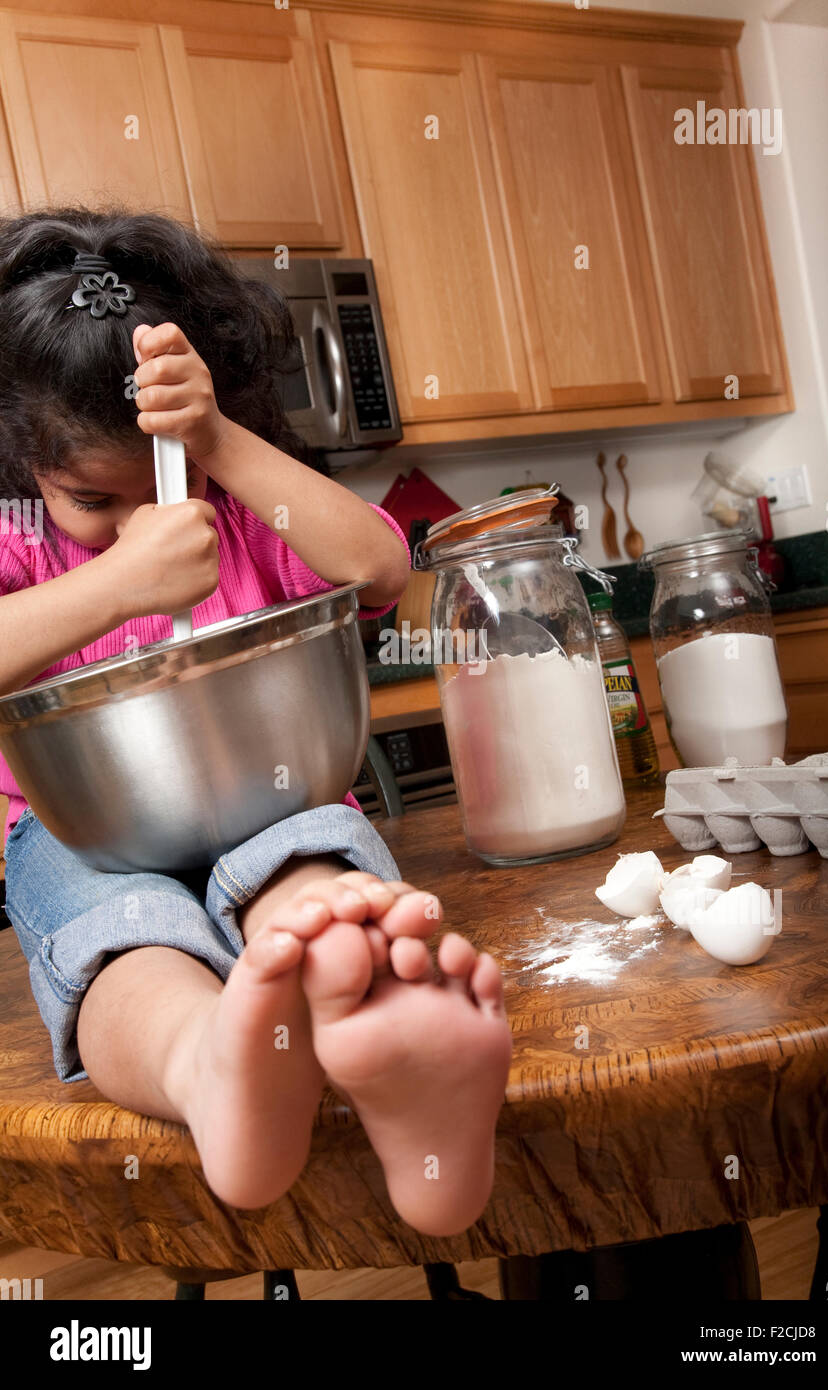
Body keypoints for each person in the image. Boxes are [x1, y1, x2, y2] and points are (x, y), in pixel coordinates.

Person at [0, 209, 512, 1236]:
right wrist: (120, 582)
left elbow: (378, 564)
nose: (143, 515)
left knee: (308, 873)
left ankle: (378, 1023)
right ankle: (208, 1064)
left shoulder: (243, 509)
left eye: (163, 479)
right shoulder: (16, 538)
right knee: (123, 950)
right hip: (75, 835)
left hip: (266, 798)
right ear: (24, 466)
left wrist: (214, 441)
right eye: (92, 498)